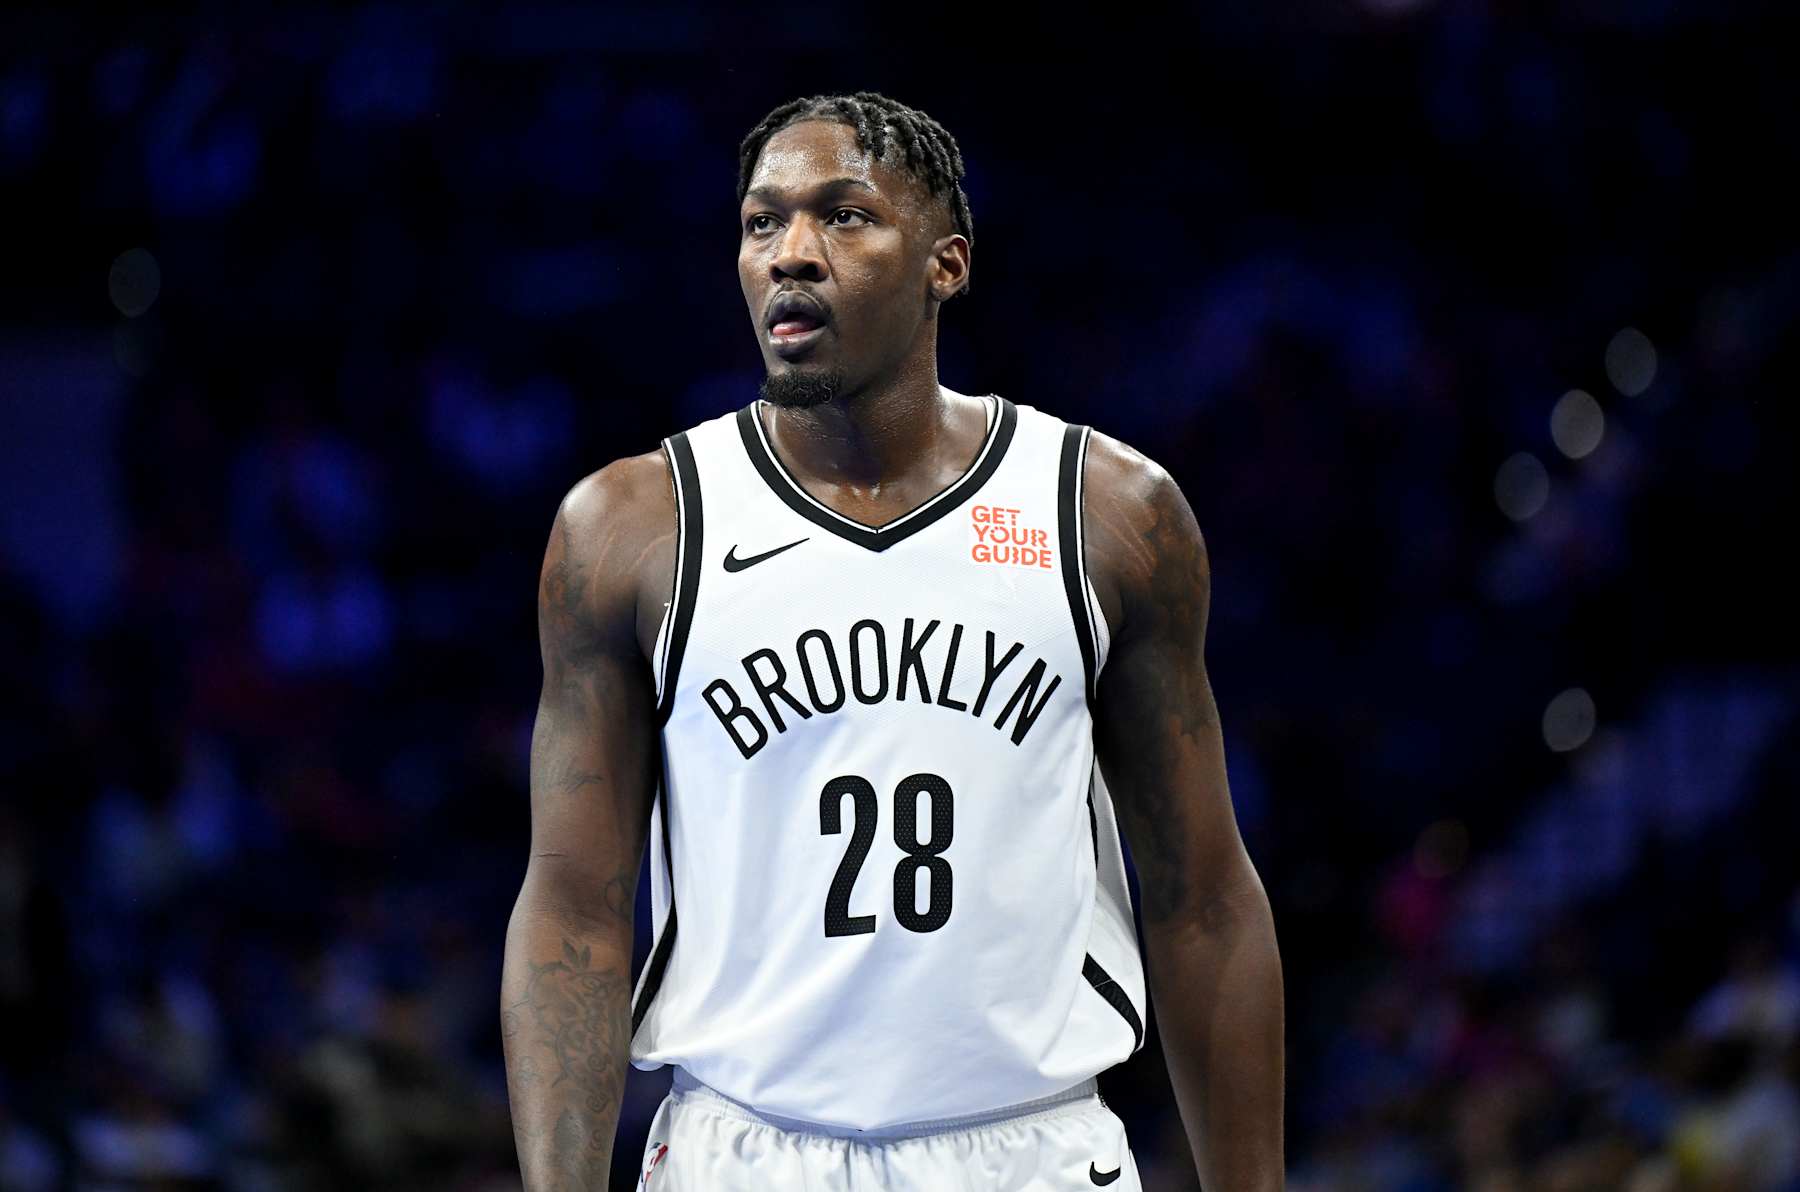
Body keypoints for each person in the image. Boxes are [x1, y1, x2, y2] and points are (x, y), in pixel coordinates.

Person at [500, 90, 1285, 1191]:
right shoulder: (632, 528)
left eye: (844, 215)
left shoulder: (1107, 511)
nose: (793, 255)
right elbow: (574, 908)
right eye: (762, 223)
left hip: (1034, 1149)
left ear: (946, 263)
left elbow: (1203, 895)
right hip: (741, 1149)